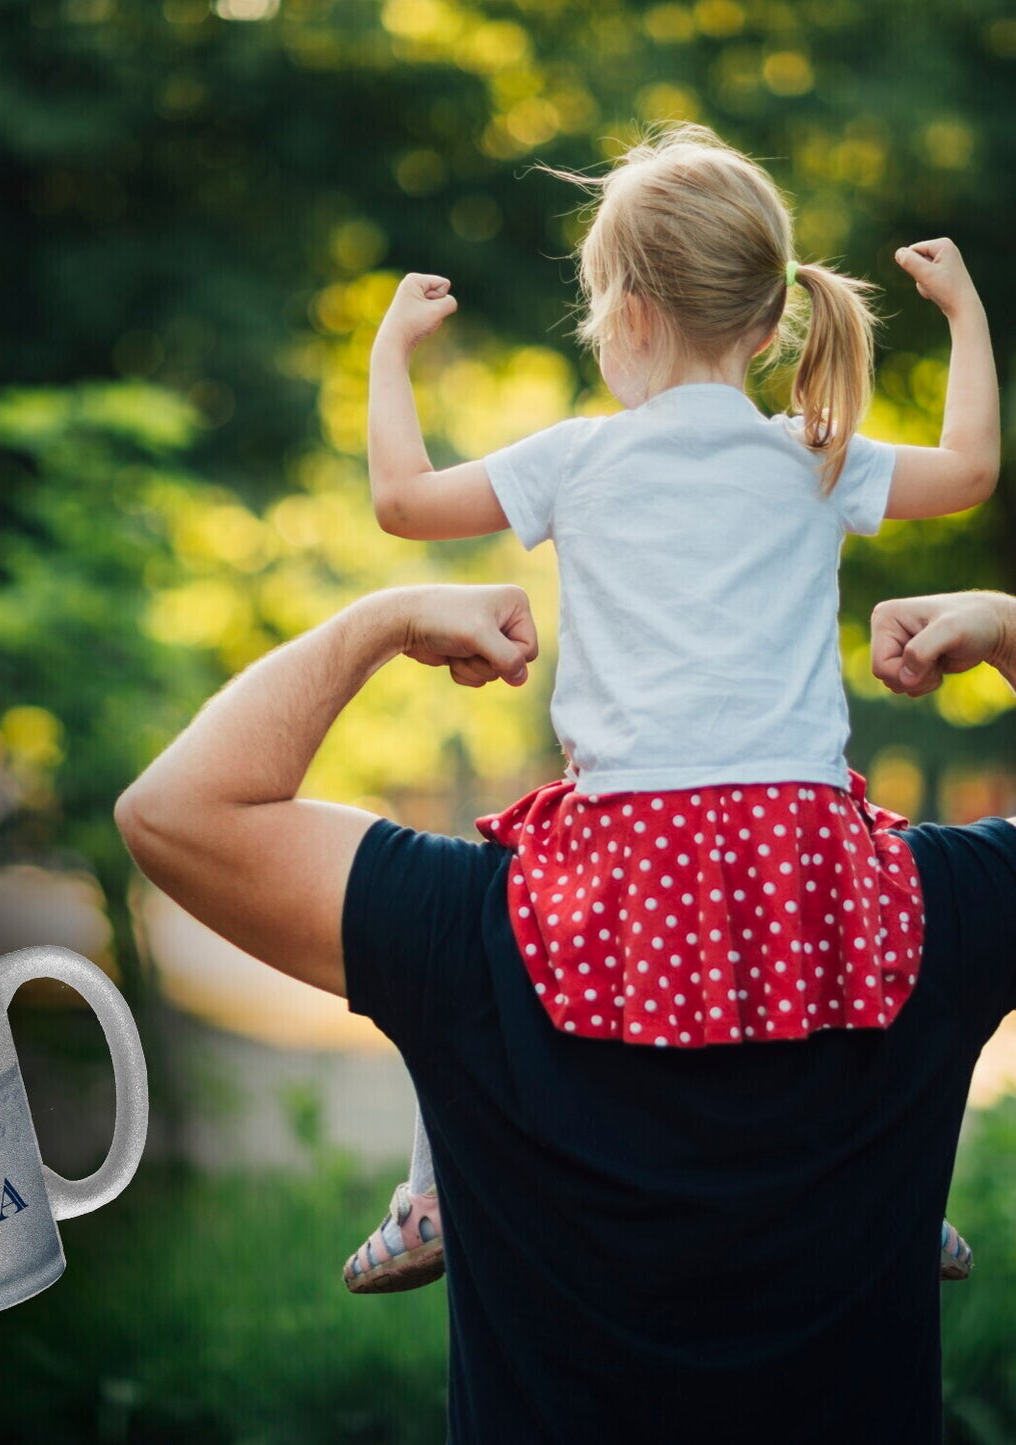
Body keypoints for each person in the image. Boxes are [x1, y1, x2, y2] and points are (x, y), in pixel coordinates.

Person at [115, 583, 1016, 1443]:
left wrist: (379, 624)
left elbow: (174, 811)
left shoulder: (475, 923)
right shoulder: (925, 910)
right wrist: (1008, 629)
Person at [347, 122, 997, 1292]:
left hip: (628, 833)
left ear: (625, 315)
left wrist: (387, 350)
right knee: (889, 951)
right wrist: (963, 318)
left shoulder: (576, 459)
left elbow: (400, 500)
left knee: (467, 942)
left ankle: (433, 1196)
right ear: (765, 321)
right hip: (797, 829)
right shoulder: (815, 451)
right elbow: (968, 469)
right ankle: (909, 1196)